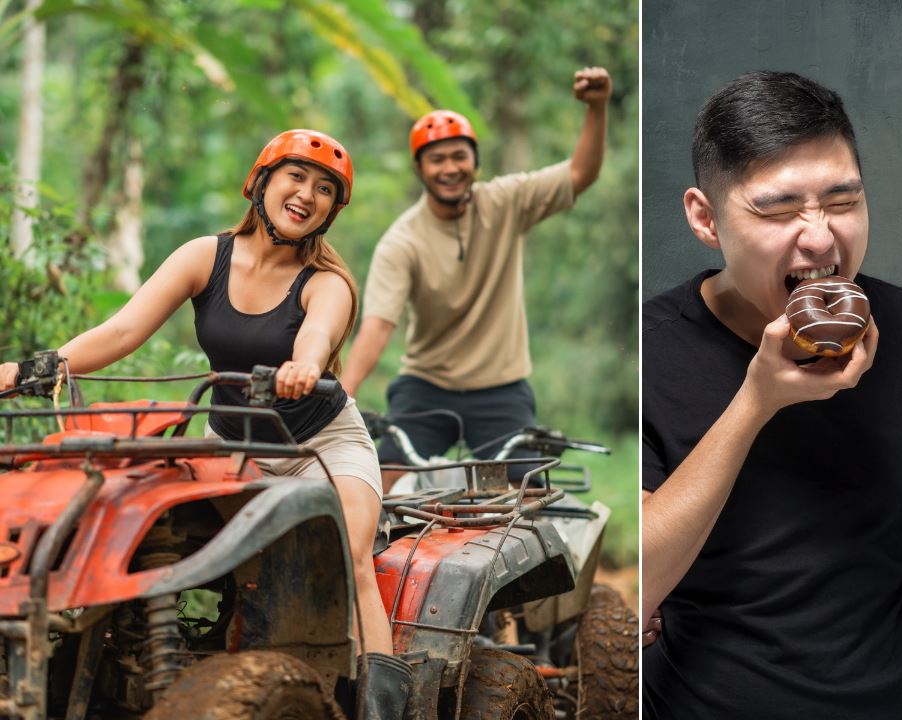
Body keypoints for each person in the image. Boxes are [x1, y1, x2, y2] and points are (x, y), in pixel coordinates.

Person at [0, 130, 412, 719]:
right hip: (231, 445)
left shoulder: (327, 282)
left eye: (325, 189)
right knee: (155, 534)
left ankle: (382, 708)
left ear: (331, 210)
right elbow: (123, 330)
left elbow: (317, 335)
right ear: (261, 182)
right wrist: (30, 369)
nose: (307, 194)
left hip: (319, 446)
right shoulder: (206, 257)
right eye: (296, 177)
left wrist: (303, 366)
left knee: (349, 553)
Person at [641, 70, 902, 718]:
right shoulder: (650, 351)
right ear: (705, 218)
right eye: (777, 209)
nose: (820, 238)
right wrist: (756, 402)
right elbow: (637, 584)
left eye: (843, 201)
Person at [340, 67, 612, 492]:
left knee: (528, 496)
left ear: (475, 162)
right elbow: (377, 327)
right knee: (382, 481)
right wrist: (343, 399)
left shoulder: (504, 202)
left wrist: (596, 107)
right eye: (437, 159)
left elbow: (581, 174)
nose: (449, 168)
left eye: (459, 156)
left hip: (501, 388)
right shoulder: (402, 240)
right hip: (427, 385)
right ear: (420, 168)